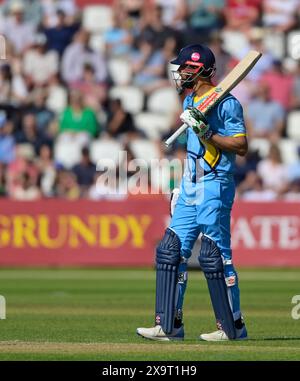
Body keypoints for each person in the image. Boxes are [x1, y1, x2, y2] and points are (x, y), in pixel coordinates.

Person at [137, 44, 248, 341]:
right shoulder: (190, 99)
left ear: (199, 70)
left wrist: (207, 131)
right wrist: (182, 185)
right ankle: (169, 325)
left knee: (214, 255)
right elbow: (195, 149)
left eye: (185, 67)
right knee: (170, 251)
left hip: (215, 182)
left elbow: (240, 145)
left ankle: (232, 326)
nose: (181, 72)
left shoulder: (227, 103)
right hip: (191, 183)